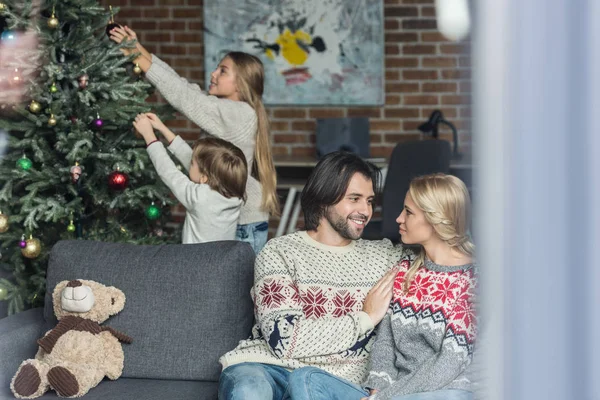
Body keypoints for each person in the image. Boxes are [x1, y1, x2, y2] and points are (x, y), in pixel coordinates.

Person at [217, 151, 404, 400]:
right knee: (249, 391)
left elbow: (448, 255)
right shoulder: (279, 253)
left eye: (369, 201)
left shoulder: (385, 256)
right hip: (270, 369)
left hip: (337, 382)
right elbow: (282, 339)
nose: (366, 211)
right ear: (323, 198)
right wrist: (365, 319)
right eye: (355, 198)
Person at [286, 173, 478, 400]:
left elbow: (450, 362)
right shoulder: (406, 268)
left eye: (408, 212)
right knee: (305, 378)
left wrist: (385, 397)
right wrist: (377, 387)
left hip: (446, 391)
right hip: (392, 394)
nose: (398, 219)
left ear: (435, 219)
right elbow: (386, 342)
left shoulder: (474, 280)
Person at [109, 26, 279, 253]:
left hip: (243, 224)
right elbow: (184, 88)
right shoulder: (232, 111)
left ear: (240, 83)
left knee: (238, 287)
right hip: (236, 218)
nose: (213, 74)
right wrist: (139, 49)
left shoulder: (237, 113)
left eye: (223, 71)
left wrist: (135, 55)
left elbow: (185, 96)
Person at [133, 113, 247, 244]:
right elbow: (194, 163)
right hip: (221, 260)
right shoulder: (232, 194)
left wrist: (149, 136)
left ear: (204, 178)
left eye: (192, 163)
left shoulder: (199, 198)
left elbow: (169, 172)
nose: (189, 162)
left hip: (195, 262)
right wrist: (162, 127)